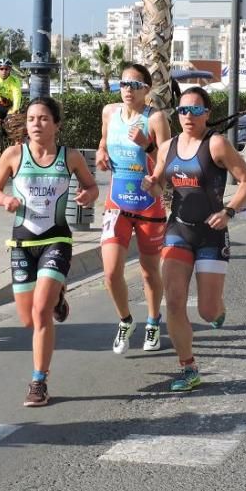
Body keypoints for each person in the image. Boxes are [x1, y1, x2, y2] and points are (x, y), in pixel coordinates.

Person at [143, 87, 246, 392]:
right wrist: (152, 183)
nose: (188, 117)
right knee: (175, 301)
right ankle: (189, 367)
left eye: (195, 111)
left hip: (211, 233)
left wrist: (229, 211)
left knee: (207, 311)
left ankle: (217, 311)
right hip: (178, 230)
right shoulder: (167, 147)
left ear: (207, 113)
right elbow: (159, 188)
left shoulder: (216, 144)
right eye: (182, 110)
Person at [0, 97, 98, 407]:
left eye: (44, 119)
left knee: (40, 314)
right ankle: (58, 295)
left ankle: (39, 381)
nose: (37, 124)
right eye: (33, 119)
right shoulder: (13, 155)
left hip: (56, 240)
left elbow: (91, 186)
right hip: (23, 242)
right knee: (27, 319)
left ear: (57, 125)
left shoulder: (70, 157)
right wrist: (4, 201)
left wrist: (87, 195)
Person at [96, 63, 171, 353]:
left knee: (149, 272)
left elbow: (167, 160)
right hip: (116, 205)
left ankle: (153, 322)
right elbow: (103, 140)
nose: (128, 90)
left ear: (147, 90)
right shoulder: (109, 112)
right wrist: (102, 151)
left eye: (135, 85)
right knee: (111, 273)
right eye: (124, 84)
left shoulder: (155, 119)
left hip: (149, 204)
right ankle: (126, 320)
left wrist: (148, 147)